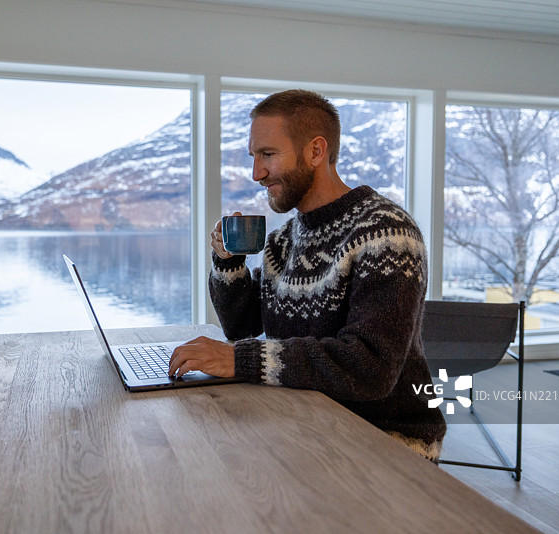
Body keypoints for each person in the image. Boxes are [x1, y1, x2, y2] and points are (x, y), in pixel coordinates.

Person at [169, 89, 446, 461]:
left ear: (316, 151)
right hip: (304, 421)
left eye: (268, 154)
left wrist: (241, 360)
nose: (256, 173)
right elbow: (241, 328)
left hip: (386, 441)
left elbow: (370, 367)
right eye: (254, 156)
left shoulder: (386, 233)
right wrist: (228, 262)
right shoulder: (284, 240)